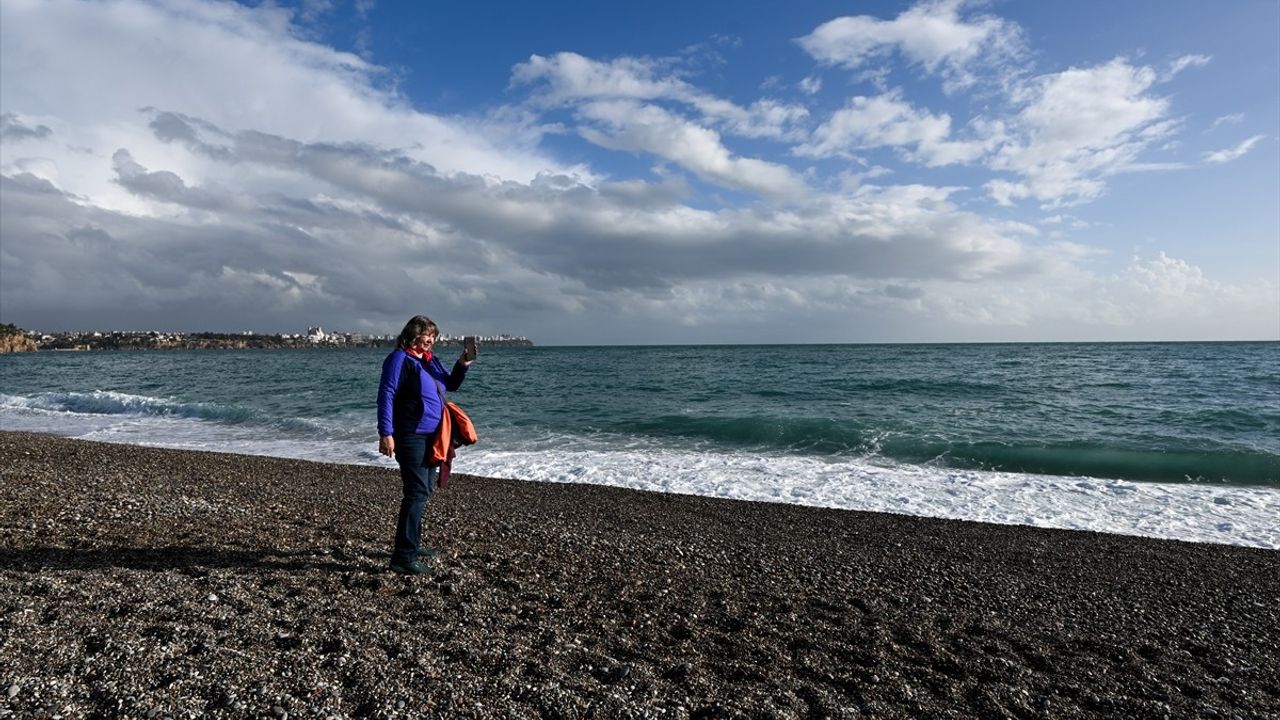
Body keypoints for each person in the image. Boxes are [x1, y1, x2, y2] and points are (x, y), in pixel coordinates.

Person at [377, 315, 472, 575]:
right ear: (412, 335)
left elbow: (450, 384)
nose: (430, 339)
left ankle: (413, 544)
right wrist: (386, 432)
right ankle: (403, 557)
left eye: (433, 336)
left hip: (434, 435)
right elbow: (386, 394)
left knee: (425, 488)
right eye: (425, 334)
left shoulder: (430, 361)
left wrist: (463, 364)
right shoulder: (399, 359)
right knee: (416, 492)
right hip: (410, 435)